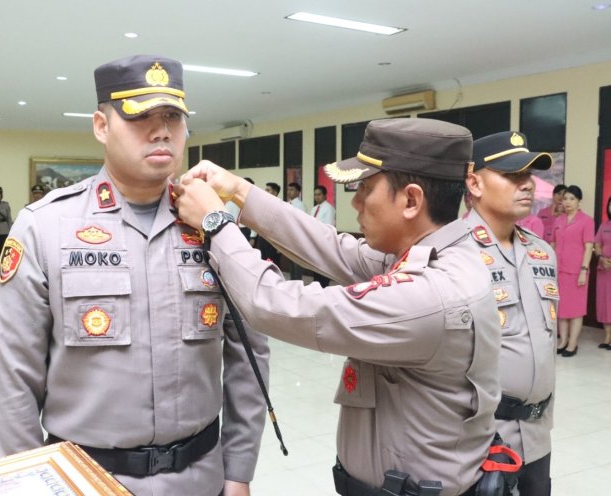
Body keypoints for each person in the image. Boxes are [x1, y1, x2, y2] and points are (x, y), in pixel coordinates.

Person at [0, 54, 268, 496]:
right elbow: (13, 380)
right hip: (87, 479)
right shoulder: (44, 227)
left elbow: (248, 356)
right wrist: (25, 485)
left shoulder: (214, 224)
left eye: (173, 116)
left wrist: (239, 470)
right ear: (101, 126)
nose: (161, 131)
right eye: (141, 116)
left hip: (200, 476)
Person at [175, 118, 502, 496]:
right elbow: (332, 246)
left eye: (364, 188)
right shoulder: (435, 254)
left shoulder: (429, 296)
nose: (356, 202)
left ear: (411, 200)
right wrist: (238, 192)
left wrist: (216, 222)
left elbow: (274, 304)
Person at [465, 131, 556, 495]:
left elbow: (544, 347)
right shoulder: (452, 252)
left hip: (537, 437)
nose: (527, 185)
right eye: (512, 175)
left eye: (529, 176)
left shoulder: (541, 252)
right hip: (480, 441)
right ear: (474, 182)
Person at [552, 185, 594, 356]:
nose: (568, 202)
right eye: (566, 198)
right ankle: (562, 341)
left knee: (575, 310)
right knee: (561, 309)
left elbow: (589, 246)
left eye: (572, 199)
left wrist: (584, 269)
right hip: (559, 270)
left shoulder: (586, 220)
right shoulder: (558, 220)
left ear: (578, 201)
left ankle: (573, 343)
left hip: (577, 272)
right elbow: (553, 244)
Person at [309, 185, 336, 287]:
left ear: (325, 195)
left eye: (319, 194)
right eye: (315, 195)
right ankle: (317, 289)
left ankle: (324, 290)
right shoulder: (314, 209)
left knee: (323, 271)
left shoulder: (329, 208)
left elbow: (328, 227)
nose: (317, 197)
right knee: (316, 270)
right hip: (314, 241)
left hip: (324, 243)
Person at [594, 196, 611, 349]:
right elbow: (597, 244)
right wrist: (600, 258)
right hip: (604, 269)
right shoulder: (604, 225)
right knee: (605, 302)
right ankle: (607, 336)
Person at [286, 182, 307, 281]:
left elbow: (301, 223)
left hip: (297, 238)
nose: (289, 192)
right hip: (288, 236)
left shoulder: (300, 205)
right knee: (291, 264)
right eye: (288, 189)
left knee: (297, 265)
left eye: (292, 190)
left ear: (298, 192)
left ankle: (298, 286)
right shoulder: (287, 204)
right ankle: (292, 284)